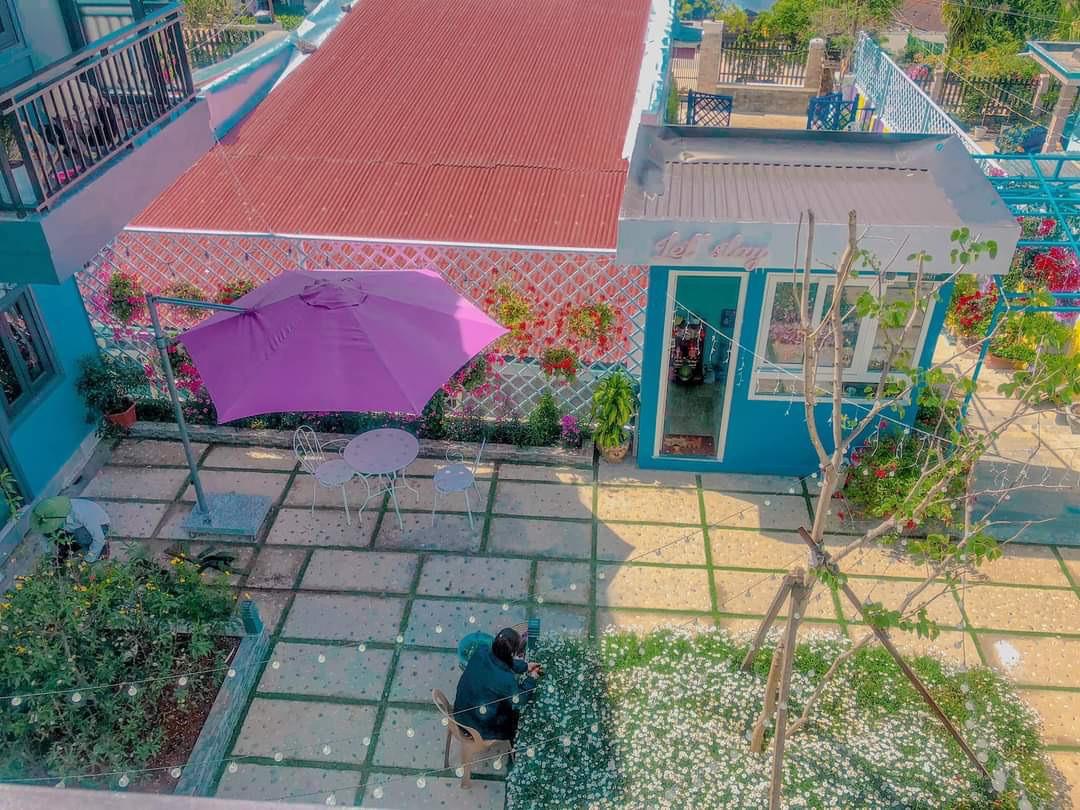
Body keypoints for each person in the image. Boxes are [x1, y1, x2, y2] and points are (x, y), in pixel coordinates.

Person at [453, 627, 542, 742]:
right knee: (513, 717)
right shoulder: (505, 680)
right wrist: (531, 678)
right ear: (512, 653)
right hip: (476, 727)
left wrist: (525, 666)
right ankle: (514, 744)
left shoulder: (481, 651)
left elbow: (499, 660)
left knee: (499, 698)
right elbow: (521, 698)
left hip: (460, 713)